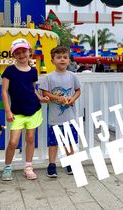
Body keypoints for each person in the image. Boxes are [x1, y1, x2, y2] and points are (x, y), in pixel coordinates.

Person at [1, 38, 49, 181]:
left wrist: (40, 97)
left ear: (30, 52)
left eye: (24, 51)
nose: (21, 55)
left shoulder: (33, 71)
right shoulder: (9, 70)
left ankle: (28, 167)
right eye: (18, 52)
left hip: (33, 109)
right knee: (13, 142)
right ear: (13, 55)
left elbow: (32, 88)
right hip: (16, 112)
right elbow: (4, 92)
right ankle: (7, 167)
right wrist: (8, 111)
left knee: (30, 138)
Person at [40, 46, 81, 177]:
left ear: (69, 60)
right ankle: (52, 164)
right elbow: (45, 92)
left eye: (65, 57)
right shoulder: (49, 77)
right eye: (58, 57)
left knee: (69, 141)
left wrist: (72, 99)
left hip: (70, 117)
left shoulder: (73, 76)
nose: (62, 60)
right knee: (54, 143)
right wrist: (58, 98)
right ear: (52, 60)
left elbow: (78, 90)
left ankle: (70, 162)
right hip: (54, 118)